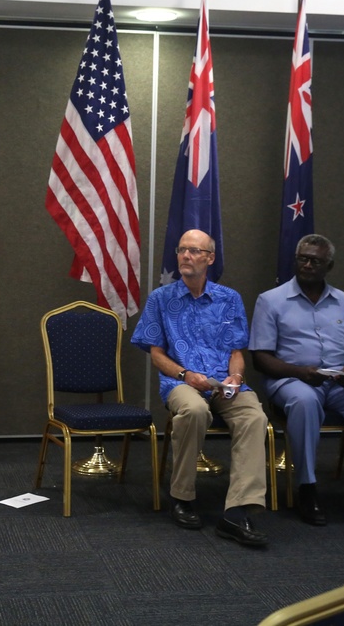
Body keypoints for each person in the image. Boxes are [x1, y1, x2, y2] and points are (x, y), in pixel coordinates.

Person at [130, 229, 269, 548]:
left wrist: (235, 376)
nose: (186, 256)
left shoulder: (229, 298)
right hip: (181, 381)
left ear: (210, 258)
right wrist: (185, 373)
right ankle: (182, 497)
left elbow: (237, 350)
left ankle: (236, 512)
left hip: (223, 381)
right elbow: (155, 353)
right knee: (193, 410)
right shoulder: (161, 299)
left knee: (254, 417)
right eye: (182, 250)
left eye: (194, 251)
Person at [250, 234, 344, 526]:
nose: (307, 265)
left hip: (339, 383)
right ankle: (307, 488)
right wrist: (301, 372)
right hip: (291, 379)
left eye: (315, 260)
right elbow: (260, 358)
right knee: (304, 401)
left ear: (330, 265)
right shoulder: (271, 300)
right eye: (303, 258)